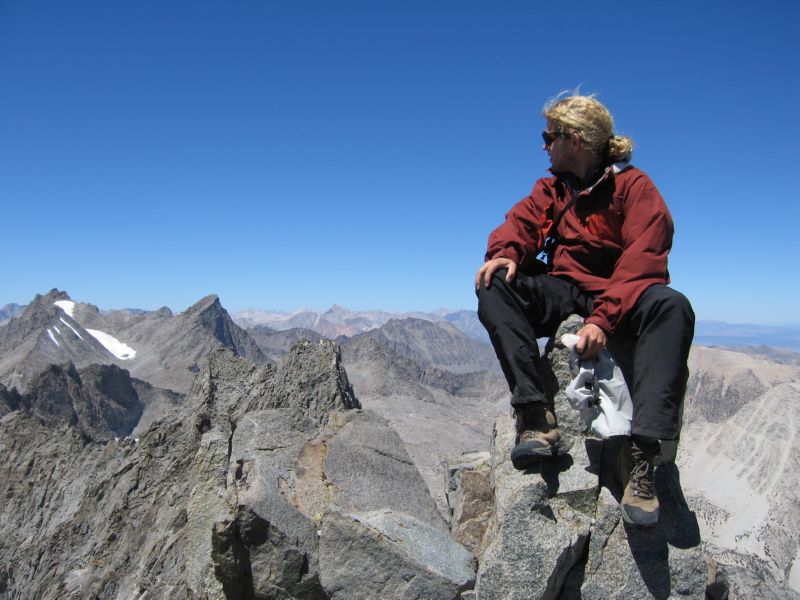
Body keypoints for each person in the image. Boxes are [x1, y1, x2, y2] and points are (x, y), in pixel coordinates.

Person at [475, 93, 694, 527]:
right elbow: (521, 223)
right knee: (495, 282)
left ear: (574, 140)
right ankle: (535, 415)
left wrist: (603, 319)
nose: (543, 145)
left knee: (672, 306)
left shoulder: (634, 187)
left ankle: (641, 457)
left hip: (620, 293)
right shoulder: (553, 189)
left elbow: (645, 258)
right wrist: (508, 251)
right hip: (564, 289)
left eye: (548, 136)